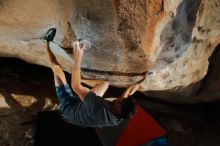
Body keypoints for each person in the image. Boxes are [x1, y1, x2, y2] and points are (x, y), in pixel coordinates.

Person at [43, 28, 145, 127]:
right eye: (121, 100)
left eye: (119, 103)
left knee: (57, 68)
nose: (119, 99)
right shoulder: (121, 115)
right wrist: (141, 81)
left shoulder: (97, 108)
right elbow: (128, 93)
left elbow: (75, 87)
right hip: (84, 107)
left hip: (68, 108)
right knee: (104, 84)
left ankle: (46, 43)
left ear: (118, 111)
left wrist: (78, 57)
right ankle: (79, 78)